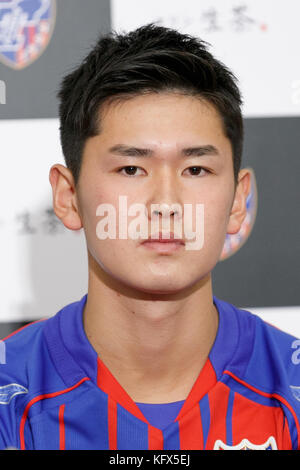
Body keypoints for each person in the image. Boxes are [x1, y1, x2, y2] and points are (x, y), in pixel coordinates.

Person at [1, 23, 300, 451]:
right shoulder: (11, 395)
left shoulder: (291, 389)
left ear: (238, 201)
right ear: (68, 196)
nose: (166, 203)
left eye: (195, 170)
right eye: (131, 169)